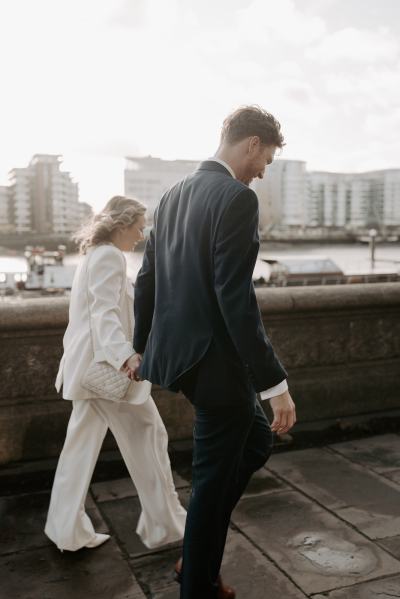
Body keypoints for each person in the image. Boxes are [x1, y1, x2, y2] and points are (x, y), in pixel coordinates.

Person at [132, 106, 296, 599]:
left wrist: (143, 347)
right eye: (265, 159)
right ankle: (197, 584)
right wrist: (277, 385)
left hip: (181, 359)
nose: (263, 171)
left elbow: (146, 281)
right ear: (250, 144)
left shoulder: (170, 195)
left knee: (255, 445)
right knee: (211, 480)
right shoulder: (236, 198)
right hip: (217, 365)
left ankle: (198, 553)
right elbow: (236, 299)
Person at [44, 196, 186, 552]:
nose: (141, 234)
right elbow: (104, 315)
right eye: (138, 227)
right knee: (149, 436)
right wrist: (127, 357)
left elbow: (93, 315)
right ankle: (167, 526)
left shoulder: (92, 255)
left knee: (78, 450)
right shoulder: (108, 256)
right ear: (122, 224)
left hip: (85, 372)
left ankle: (66, 531)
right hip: (106, 374)